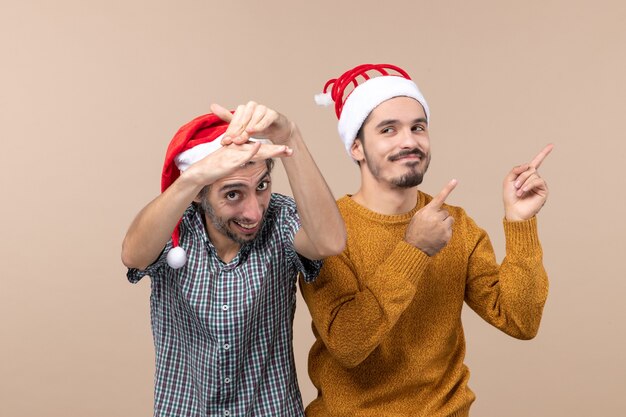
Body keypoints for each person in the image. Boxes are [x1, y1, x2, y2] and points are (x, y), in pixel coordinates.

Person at [301, 63, 552, 417]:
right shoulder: (327, 232)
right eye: (388, 129)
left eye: (418, 127)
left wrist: (519, 223)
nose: (409, 141)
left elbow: (520, 321)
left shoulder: (457, 226)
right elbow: (348, 343)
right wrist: (415, 250)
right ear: (356, 147)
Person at [121, 101, 346, 417]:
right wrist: (191, 178)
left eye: (262, 186)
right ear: (200, 192)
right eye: (232, 193)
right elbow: (133, 254)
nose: (254, 212)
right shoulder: (175, 226)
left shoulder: (280, 218)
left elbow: (330, 241)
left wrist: (289, 134)